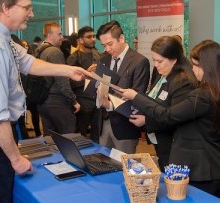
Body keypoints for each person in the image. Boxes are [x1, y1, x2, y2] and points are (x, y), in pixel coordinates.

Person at [0, 1, 87, 202]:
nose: (31, 13)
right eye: (26, 7)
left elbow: (27, 61)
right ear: (5, 7)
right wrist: (16, 159)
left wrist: (67, 70)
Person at [121, 40, 220, 200]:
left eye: (196, 65)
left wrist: (136, 97)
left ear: (209, 67)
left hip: (204, 168)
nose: (193, 69)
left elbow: (168, 116)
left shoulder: (202, 95)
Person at [128, 36, 195, 170]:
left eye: (160, 61)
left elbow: (173, 117)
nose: (156, 65)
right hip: (159, 140)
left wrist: (147, 120)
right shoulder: (162, 73)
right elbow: (154, 100)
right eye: (154, 60)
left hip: (173, 143)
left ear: (174, 60)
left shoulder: (183, 81)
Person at [96, 20, 150, 153]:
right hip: (103, 123)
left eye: (110, 44)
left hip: (125, 125)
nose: (107, 49)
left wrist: (110, 105)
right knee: (103, 163)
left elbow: (138, 97)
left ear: (121, 38)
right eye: (103, 45)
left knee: (123, 167)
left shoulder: (139, 61)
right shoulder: (104, 59)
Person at [37, 22, 80, 135]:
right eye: (59, 34)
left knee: (50, 138)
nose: (62, 37)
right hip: (57, 102)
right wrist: (73, 101)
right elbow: (62, 81)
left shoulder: (39, 50)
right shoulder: (55, 52)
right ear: (50, 35)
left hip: (42, 101)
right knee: (69, 136)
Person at [66, 26, 102, 142]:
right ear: (80, 40)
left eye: (94, 36)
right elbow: (68, 82)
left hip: (98, 101)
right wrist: (86, 74)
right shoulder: (73, 58)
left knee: (97, 134)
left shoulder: (98, 55)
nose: (93, 39)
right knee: (80, 135)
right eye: (89, 37)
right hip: (82, 102)